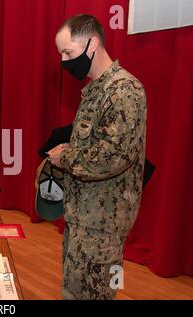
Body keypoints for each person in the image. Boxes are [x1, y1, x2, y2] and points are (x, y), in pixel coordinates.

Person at [49, 15, 147, 300]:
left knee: (95, 295)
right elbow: (98, 143)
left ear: (92, 44)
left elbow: (112, 156)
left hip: (102, 225)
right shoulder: (96, 90)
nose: (64, 61)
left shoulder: (124, 90)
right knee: (73, 291)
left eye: (68, 52)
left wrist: (65, 158)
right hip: (83, 217)